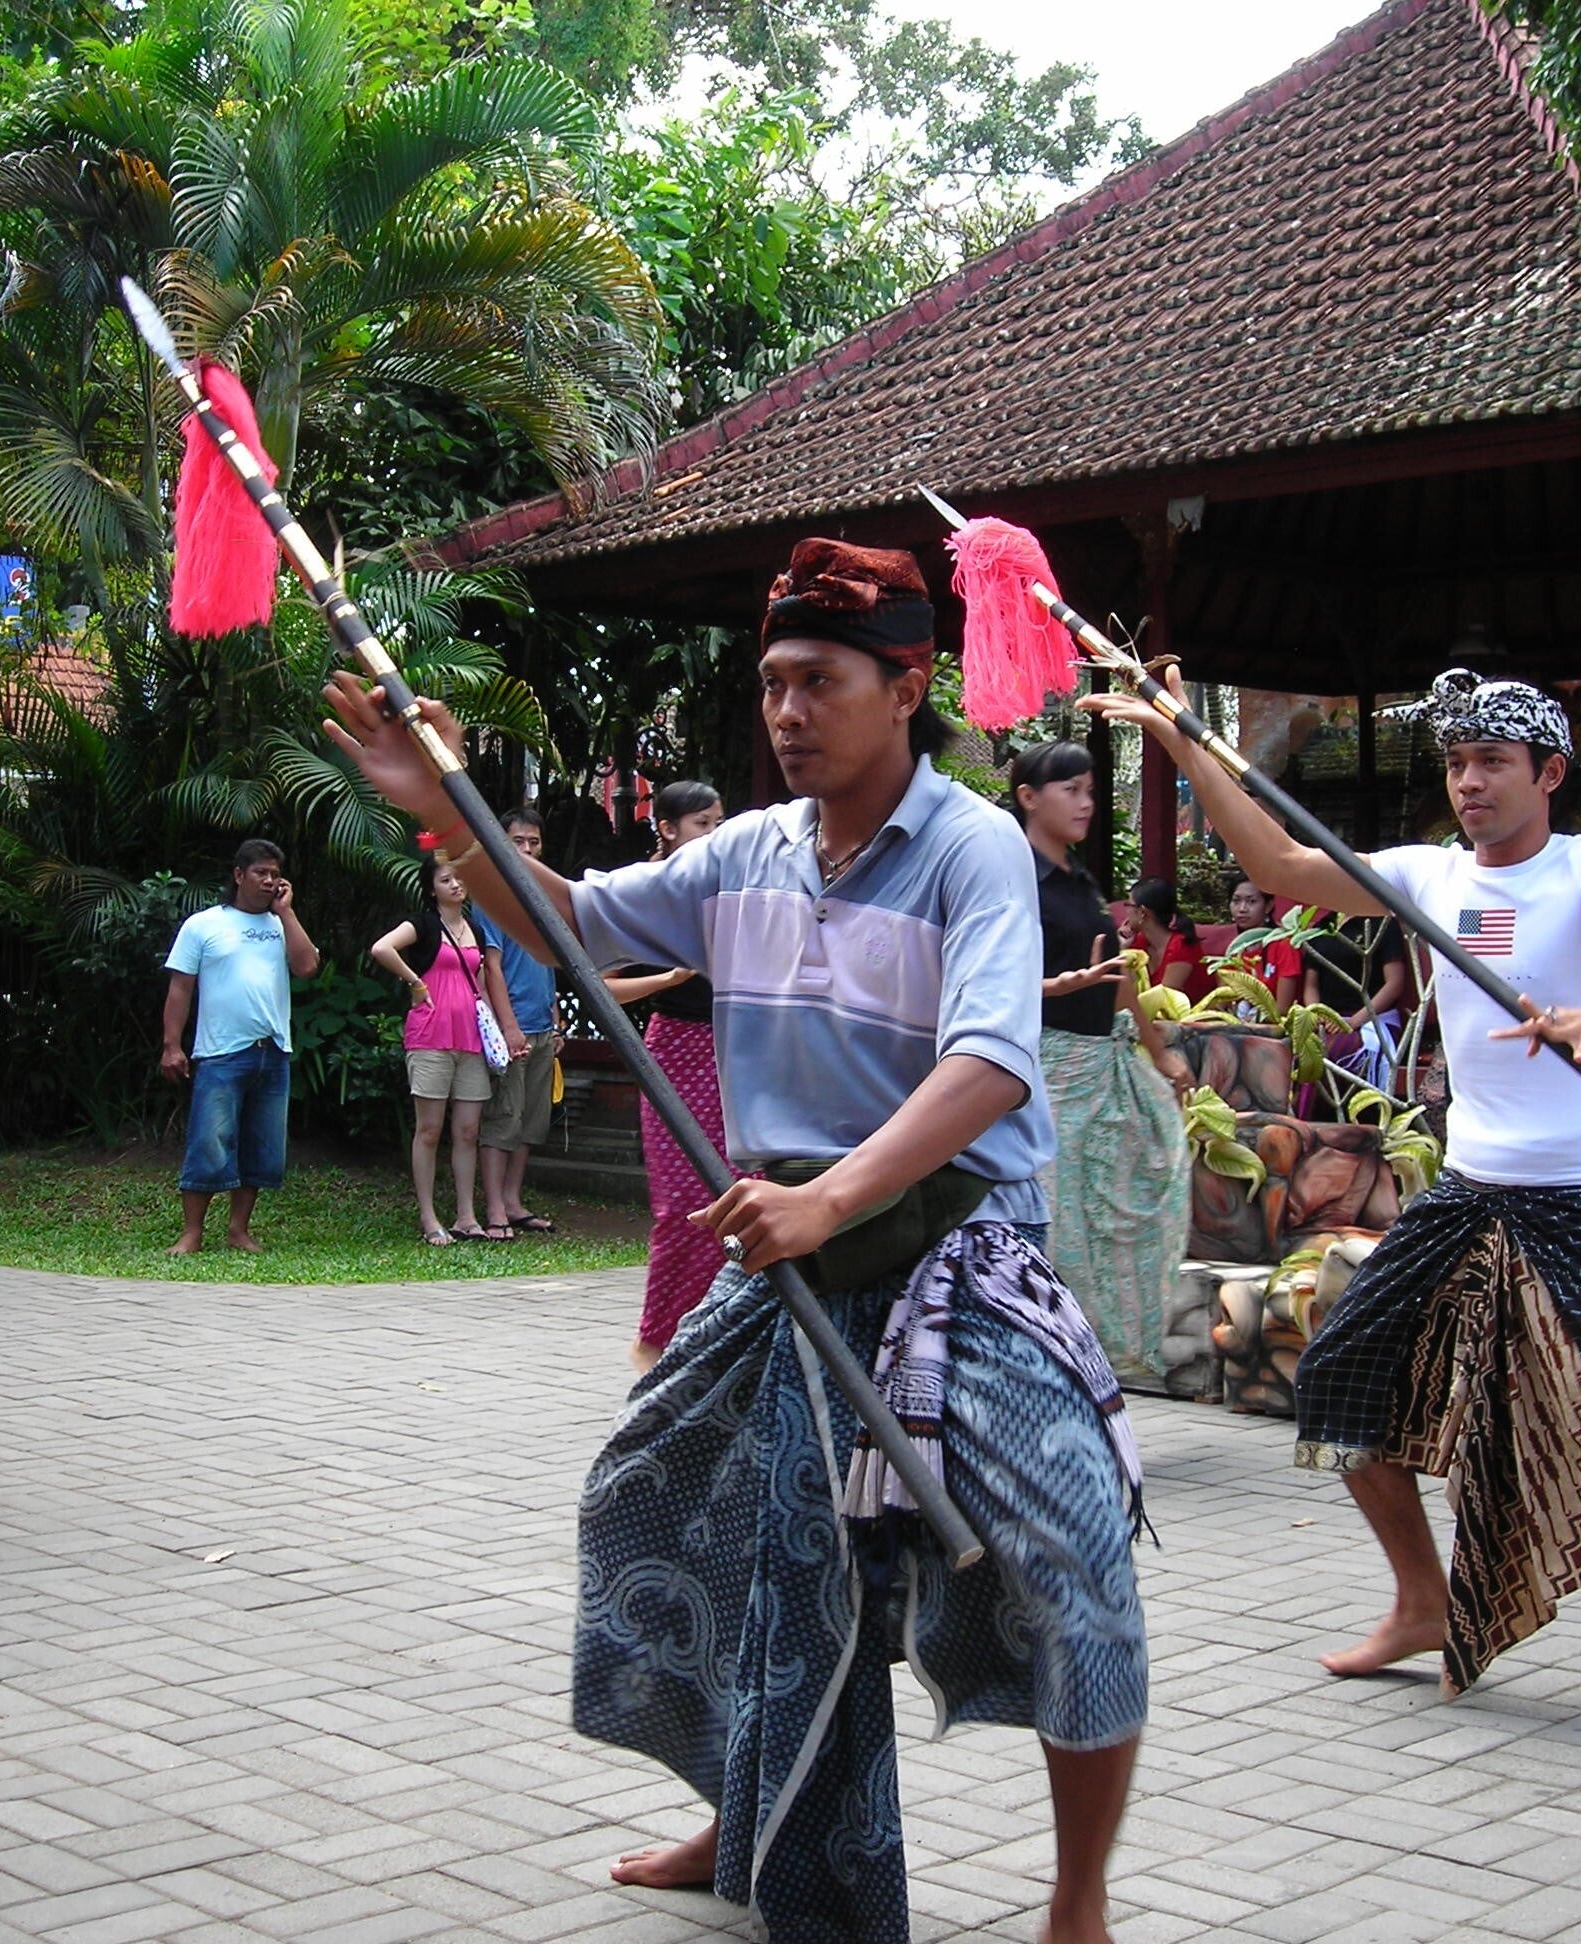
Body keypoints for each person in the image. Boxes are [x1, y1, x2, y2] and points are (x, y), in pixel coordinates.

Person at [324, 537, 1148, 1944]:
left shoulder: (974, 851)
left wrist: (835, 1198)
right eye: (771, 682)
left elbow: (993, 1063)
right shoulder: (746, 853)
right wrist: (450, 819)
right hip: (787, 1269)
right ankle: (747, 1817)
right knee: (662, 1511)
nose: (784, 711)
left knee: (1077, 1565)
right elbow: (576, 929)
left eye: (817, 681)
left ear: (908, 684)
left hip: (958, 1258)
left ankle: (1080, 1902)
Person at [1088, 664, 1581, 1740]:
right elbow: (1277, 860)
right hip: (1472, 1191)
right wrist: (1181, 739)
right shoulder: (1429, 878)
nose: (1471, 781)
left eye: (1493, 762)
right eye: (1456, 762)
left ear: (1549, 772)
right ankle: (1421, 1600)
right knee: (1340, 1377)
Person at [1014, 740, 1195, 1388]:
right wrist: (1055, 990)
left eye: (1091, 789)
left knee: (1117, 1216)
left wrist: (1159, 1048)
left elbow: (1119, 977)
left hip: (1102, 1068)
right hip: (1043, 1075)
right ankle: (1047, 1375)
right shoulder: (1012, 878)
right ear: (1029, 797)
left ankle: (1097, 1369)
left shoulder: (1081, 881)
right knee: (1057, 1231)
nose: (1086, 802)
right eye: (1071, 789)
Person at [604, 780, 736, 1368]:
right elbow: (596, 982)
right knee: (683, 1205)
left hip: (738, 1051)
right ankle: (656, 1342)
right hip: (677, 1051)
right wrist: (666, 981)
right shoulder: (646, 890)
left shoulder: (731, 887)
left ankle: (719, 1334)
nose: (714, 833)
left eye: (718, 822)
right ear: (667, 828)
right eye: (702, 823)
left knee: (736, 1195)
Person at [161, 838, 319, 1256]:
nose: (269, 881)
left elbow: (306, 967)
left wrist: (286, 912)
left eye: (274, 874)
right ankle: (192, 1232)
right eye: (260, 873)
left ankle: (238, 1230)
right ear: (238, 875)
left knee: (262, 1145)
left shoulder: (280, 924)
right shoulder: (204, 924)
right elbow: (180, 988)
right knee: (210, 1141)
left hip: (273, 1050)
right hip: (220, 1052)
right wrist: (171, 1045)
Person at [371, 853, 518, 1245]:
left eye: (459, 879)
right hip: (431, 1035)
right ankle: (428, 1216)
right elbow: (382, 948)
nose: (455, 885)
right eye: (445, 880)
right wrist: (415, 982)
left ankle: (466, 1216)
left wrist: (500, 1032)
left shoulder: (475, 928)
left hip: (470, 1035)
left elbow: (483, 981)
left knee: (468, 1130)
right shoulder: (423, 923)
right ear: (431, 888)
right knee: (430, 1129)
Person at [474, 805, 562, 1240]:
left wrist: (557, 1021)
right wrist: (508, 1028)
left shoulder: (543, 896)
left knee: (531, 1120)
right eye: (517, 841)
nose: (527, 849)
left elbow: (550, 963)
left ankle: (513, 1200)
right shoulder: (491, 896)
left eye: (534, 842)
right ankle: (493, 1208)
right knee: (503, 1119)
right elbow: (491, 968)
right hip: (513, 1027)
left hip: (544, 1025)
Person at [1305, 912, 1412, 1094]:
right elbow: (1311, 986)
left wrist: (1353, 1022)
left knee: (1333, 1052)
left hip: (1372, 1020)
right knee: (1301, 1050)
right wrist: (1319, 1015)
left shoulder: (1383, 923)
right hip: (1328, 1022)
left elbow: (1394, 984)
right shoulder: (1321, 927)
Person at [1220, 874, 1302, 1015]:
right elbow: (1222, 1003)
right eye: (1236, 901)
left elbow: (1282, 1010)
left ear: (1268, 906)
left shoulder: (1284, 945)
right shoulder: (1234, 950)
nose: (1242, 909)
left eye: (1251, 901)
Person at [1122, 877, 1206, 993]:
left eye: (1128, 905)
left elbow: (1163, 1003)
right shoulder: (1139, 943)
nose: (1126, 911)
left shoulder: (1181, 947)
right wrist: (1122, 949)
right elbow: (1128, 992)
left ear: (1142, 912)